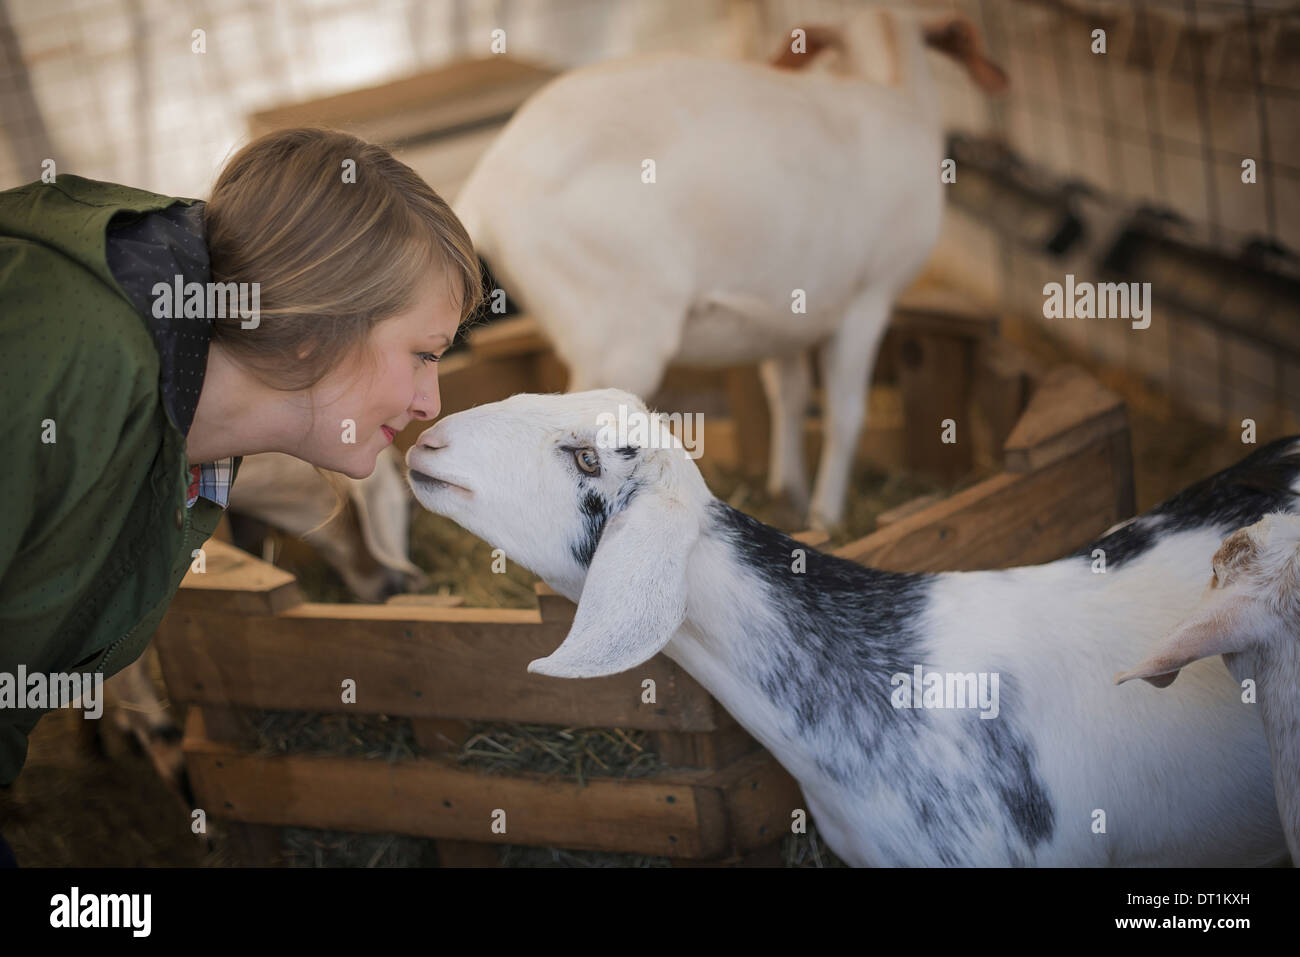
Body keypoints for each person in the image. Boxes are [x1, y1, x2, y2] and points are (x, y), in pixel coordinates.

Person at [0, 128, 483, 865]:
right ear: (314, 330)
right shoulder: (64, 355)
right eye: (423, 353)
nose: (430, 402)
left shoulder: (194, 451)